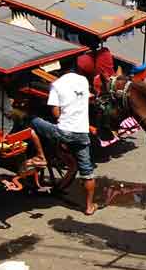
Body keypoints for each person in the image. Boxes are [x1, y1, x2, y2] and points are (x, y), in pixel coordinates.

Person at [31, 54, 97, 215]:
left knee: (31, 120)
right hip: (82, 133)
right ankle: (89, 207)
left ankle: (40, 155)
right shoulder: (83, 81)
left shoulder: (56, 84)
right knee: (87, 171)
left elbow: (55, 112)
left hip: (63, 132)